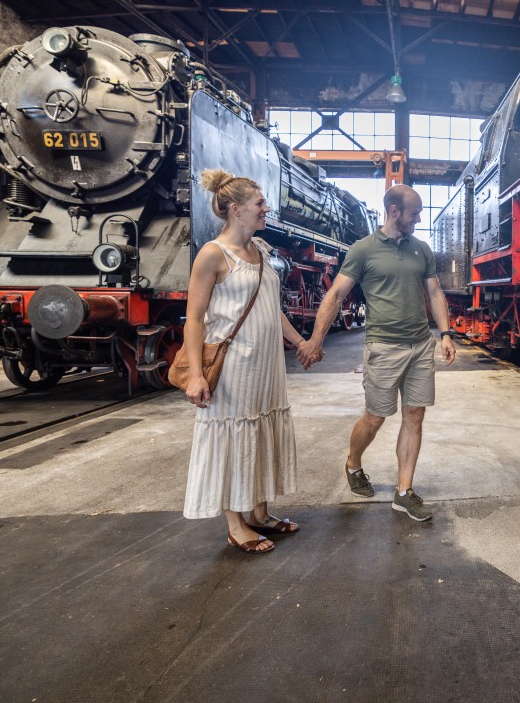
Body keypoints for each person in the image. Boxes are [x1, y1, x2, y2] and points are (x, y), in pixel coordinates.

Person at [296, 184, 457, 522]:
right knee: (375, 417)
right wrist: (316, 339)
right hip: (383, 347)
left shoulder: (421, 249)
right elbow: (335, 295)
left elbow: (435, 292)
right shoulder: (363, 250)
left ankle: (404, 492)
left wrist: (445, 334)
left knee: (415, 415)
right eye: (414, 213)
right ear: (394, 211)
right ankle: (353, 463)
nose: (419, 219)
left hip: (420, 346)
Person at [181, 168, 307, 554]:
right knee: (234, 438)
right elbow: (194, 319)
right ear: (236, 209)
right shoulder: (212, 254)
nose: (266, 208)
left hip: (266, 366)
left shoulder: (261, 250)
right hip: (234, 367)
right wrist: (196, 375)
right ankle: (235, 525)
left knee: (262, 433)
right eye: (259, 203)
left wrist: (300, 342)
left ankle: (259, 513)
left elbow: (272, 307)